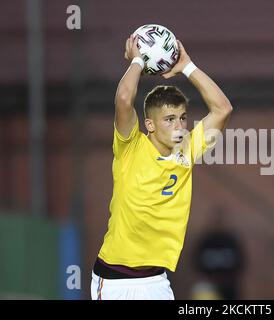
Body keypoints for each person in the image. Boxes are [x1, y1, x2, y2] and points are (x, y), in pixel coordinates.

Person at [90, 34, 233, 300]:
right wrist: (137, 62)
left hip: (156, 280)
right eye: (169, 119)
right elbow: (123, 98)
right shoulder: (130, 148)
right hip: (115, 281)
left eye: (182, 118)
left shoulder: (188, 149)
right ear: (150, 125)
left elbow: (222, 108)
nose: (179, 126)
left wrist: (187, 66)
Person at [193, 206, 245, 299]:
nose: (218, 223)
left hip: (229, 285)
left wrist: (229, 278)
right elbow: (196, 261)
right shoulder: (206, 241)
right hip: (208, 284)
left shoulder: (231, 241)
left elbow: (241, 262)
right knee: (201, 290)